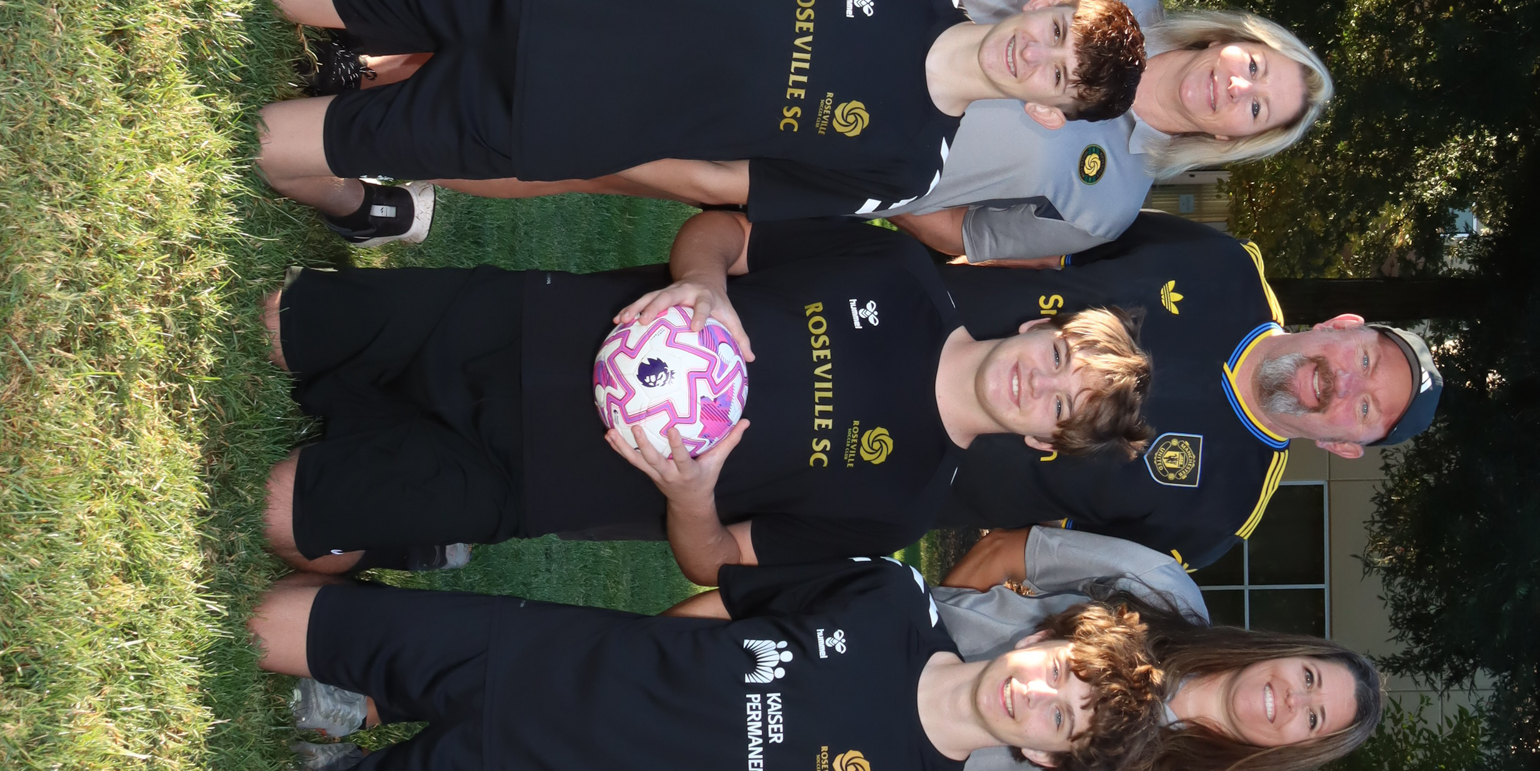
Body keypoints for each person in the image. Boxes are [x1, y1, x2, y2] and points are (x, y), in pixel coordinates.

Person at [261, 218, 1154, 577]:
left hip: (531, 476)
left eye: (1060, 408)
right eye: (1058, 357)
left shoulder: (902, 505)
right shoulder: (897, 269)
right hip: (526, 326)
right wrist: (704, 282)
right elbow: (719, 232)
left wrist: (690, 498)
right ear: (1039, 323)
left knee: (277, 511)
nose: (1039, 383)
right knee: (278, 323)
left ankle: (386, 529)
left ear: (1042, 444)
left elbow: (717, 561)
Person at [242, 558, 1166, 771]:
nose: (1037, 695)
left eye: (1060, 719)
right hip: (532, 657)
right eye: (1059, 672)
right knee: (263, 622)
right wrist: (637, 660)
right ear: (1040, 637)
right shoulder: (891, 596)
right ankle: (353, 720)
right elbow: (725, 607)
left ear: (1043, 755)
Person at [250, 0, 1143, 244]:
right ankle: (361, 192)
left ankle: (356, 202)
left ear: (1046, 112)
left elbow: (721, 180)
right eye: (1055, 35)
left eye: (1058, 80)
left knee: (267, 144)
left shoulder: (905, 168)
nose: (1036, 57)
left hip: (546, 119)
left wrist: (590, 145)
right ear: (1044, 2)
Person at [935, 214, 1444, 563]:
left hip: (909, 469)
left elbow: (1021, 554)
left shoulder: (1219, 520)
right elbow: (1038, 247)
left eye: (1365, 408)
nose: (1344, 383)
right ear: (1341, 324)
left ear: (1343, 447)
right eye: (1364, 359)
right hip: (914, 319)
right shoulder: (1224, 263)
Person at [924, 529, 1379, 771]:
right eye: (1308, 677)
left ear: (1297, 749)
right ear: (1289, 652)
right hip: (894, 645)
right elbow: (1010, 552)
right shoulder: (1161, 588)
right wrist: (932, 630)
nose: (1295, 699)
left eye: (1313, 718)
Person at [887, 0, 1331, 260]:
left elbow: (961, 234)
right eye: (1254, 66)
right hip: (871, 21)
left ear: (1228, 138)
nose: (1239, 88)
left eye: (1256, 109)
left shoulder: (1107, 210)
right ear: (1226, 39)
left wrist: (871, 185)